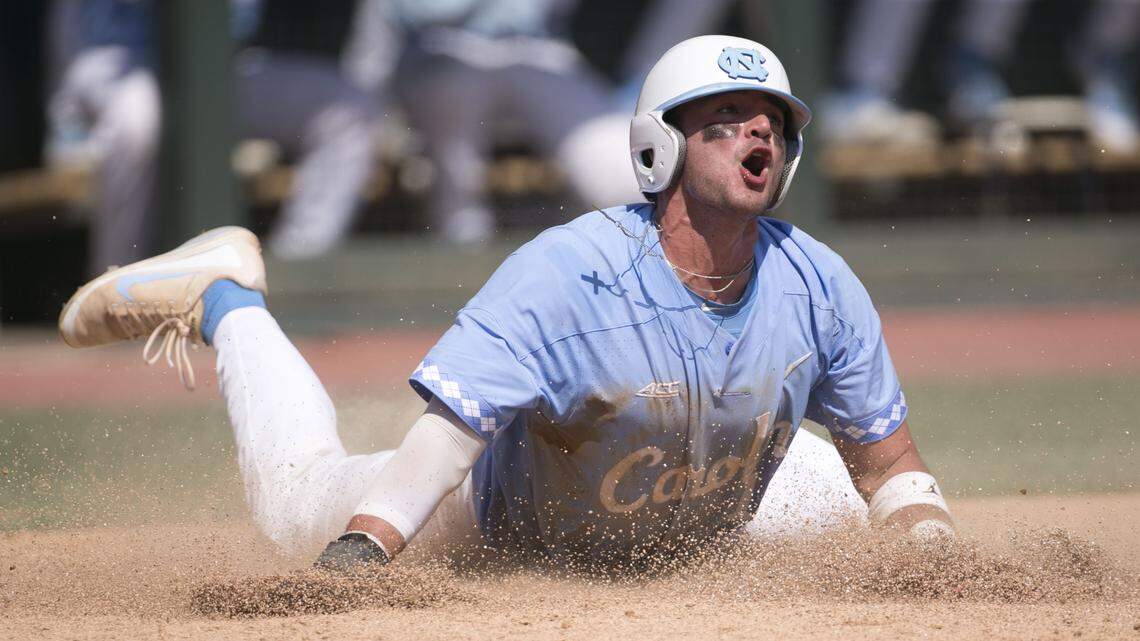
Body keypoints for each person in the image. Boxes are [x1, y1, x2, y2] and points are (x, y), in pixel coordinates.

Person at [58, 36, 954, 571]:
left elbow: (888, 465)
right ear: (660, 147)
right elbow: (450, 436)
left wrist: (939, 562)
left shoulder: (819, 283)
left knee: (845, 503)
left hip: (696, 495)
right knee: (298, 504)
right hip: (491, 517)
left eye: (773, 121)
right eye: (725, 114)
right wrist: (364, 545)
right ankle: (227, 301)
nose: (758, 130)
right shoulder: (571, 272)